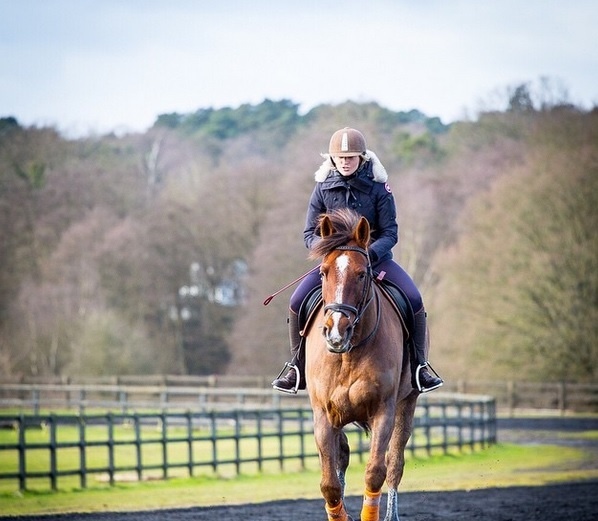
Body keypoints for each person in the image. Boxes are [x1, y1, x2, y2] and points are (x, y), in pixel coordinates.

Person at [272, 127, 443, 394]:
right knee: (296, 302)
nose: (345, 161)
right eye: (340, 157)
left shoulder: (378, 189)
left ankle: (420, 367)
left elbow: (390, 232)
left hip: (375, 261)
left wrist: (368, 255)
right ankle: (296, 367)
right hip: (335, 266)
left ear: (362, 158)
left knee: (414, 299)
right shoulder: (322, 189)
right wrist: (330, 253)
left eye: (350, 157)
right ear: (331, 159)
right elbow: (309, 234)